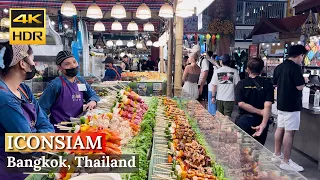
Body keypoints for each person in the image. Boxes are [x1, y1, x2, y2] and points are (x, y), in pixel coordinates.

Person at [0, 45, 54, 179]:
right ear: (22, 63)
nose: (34, 64)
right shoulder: (5, 99)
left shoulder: (23, 89)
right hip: (10, 170)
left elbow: (45, 123)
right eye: (32, 59)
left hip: (29, 164)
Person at [39, 50, 100, 132]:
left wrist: (93, 100)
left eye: (74, 62)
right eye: (67, 64)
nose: (73, 66)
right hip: (60, 131)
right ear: (60, 67)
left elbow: (92, 94)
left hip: (79, 128)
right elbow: (41, 109)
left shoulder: (80, 81)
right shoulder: (55, 85)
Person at [272, 45, 308, 172]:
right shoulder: (296, 68)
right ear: (300, 55)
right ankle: (286, 161)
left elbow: (275, 84)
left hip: (281, 103)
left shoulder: (279, 67)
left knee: (280, 128)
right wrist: (305, 80)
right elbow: (299, 87)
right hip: (292, 105)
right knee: (289, 132)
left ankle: (277, 155)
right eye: (302, 56)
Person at [235, 58, 273, 145]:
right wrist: (263, 124)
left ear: (248, 69)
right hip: (261, 121)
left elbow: (241, 103)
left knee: (243, 149)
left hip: (244, 121)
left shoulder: (241, 84)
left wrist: (259, 112)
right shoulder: (267, 84)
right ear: (262, 70)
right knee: (258, 149)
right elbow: (268, 106)